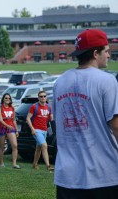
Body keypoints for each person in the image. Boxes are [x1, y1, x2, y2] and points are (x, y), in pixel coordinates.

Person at [53, 29, 118, 198]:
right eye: (106, 50)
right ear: (96, 53)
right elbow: (116, 126)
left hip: (67, 176)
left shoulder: (60, 82)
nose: (109, 55)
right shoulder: (107, 80)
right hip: (103, 175)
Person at [26, 90, 53, 171]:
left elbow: (51, 117)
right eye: (41, 96)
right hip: (36, 130)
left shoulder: (49, 107)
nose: (43, 98)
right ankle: (48, 166)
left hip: (44, 130)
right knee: (44, 145)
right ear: (38, 98)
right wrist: (32, 129)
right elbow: (28, 118)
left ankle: (34, 164)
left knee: (39, 148)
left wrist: (52, 119)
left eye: (44, 96)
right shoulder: (34, 106)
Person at [0, 93, 20, 169]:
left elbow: (14, 120)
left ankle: (14, 164)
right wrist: (7, 126)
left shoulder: (12, 108)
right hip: (1, 128)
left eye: (9, 98)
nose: (7, 99)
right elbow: (0, 119)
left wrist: (16, 130)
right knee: (2, 147)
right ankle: (1, 163)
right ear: (3, 99)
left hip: (10, 128)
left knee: (15, 145)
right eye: (6, 98)